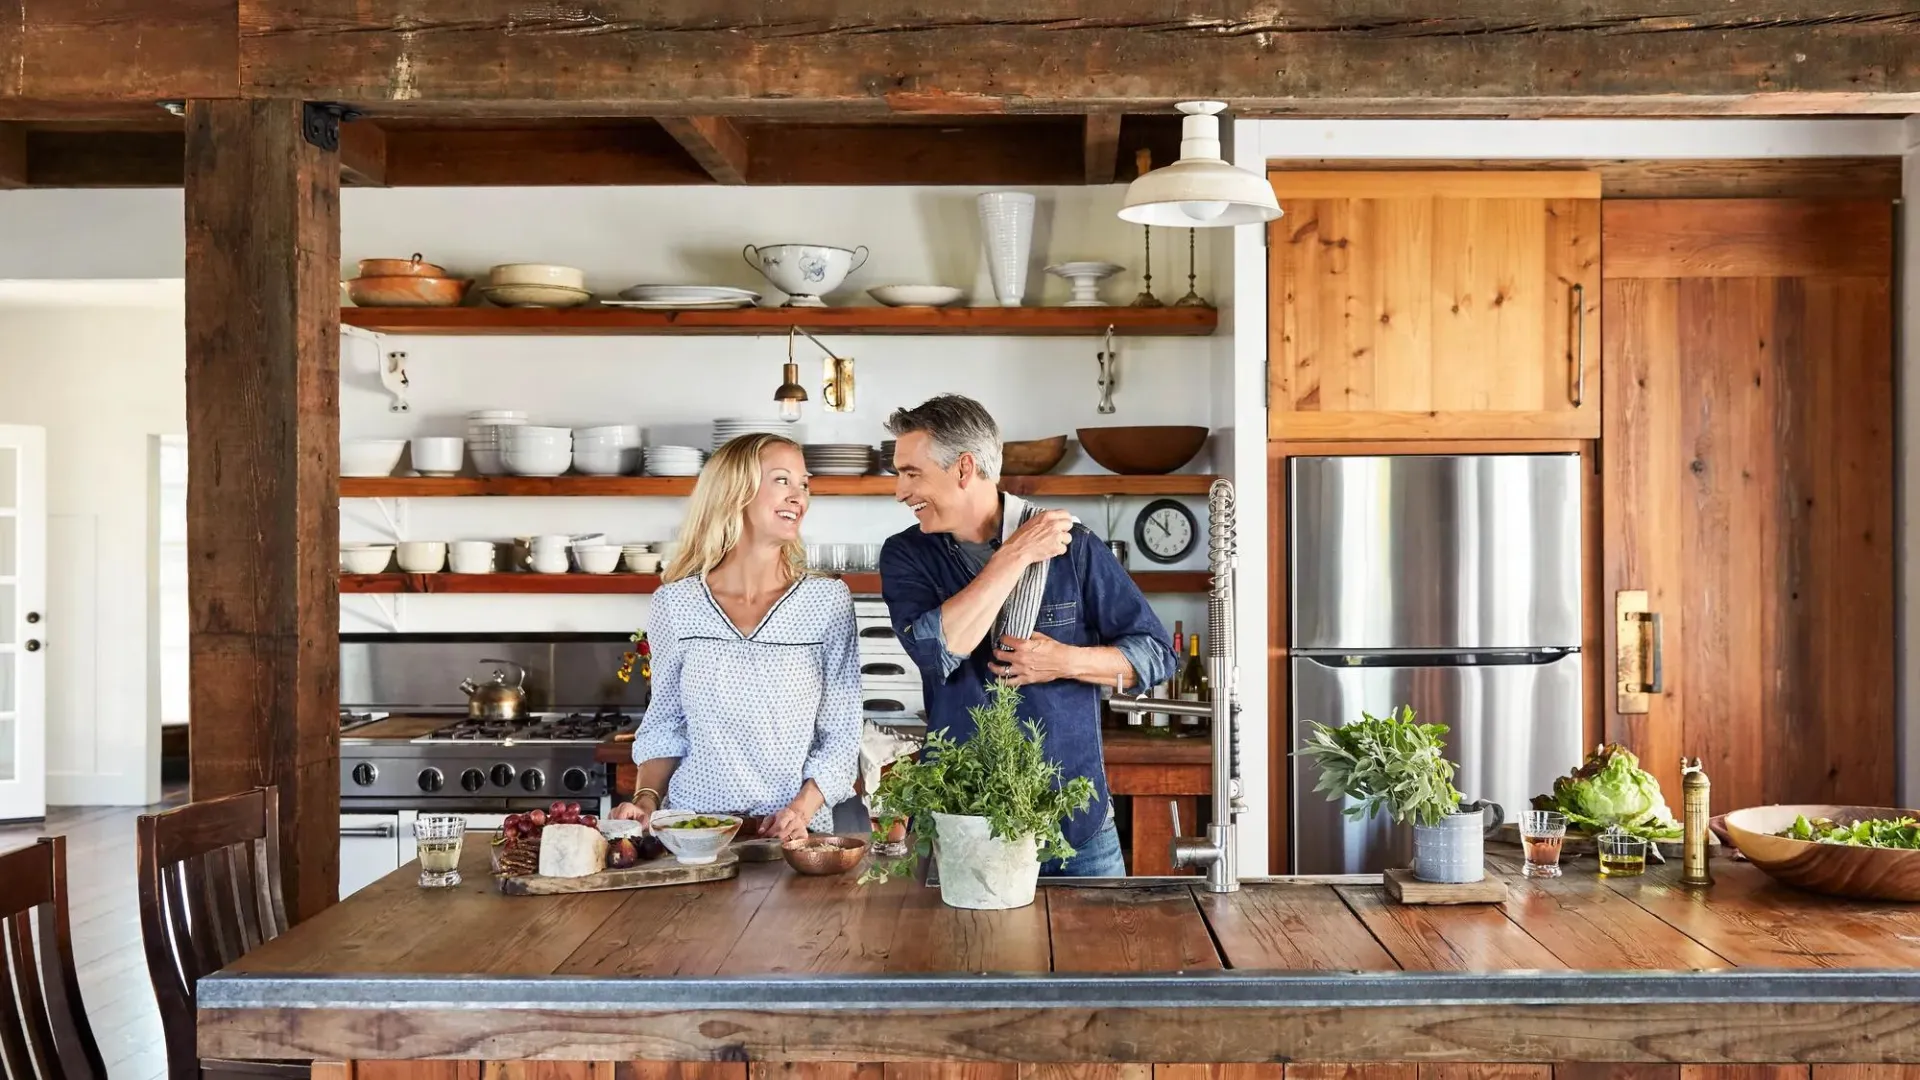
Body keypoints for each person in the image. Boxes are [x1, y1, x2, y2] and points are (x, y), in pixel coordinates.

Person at [878, 395, 1176, 876]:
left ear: (964, 469)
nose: (899, 491)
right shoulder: (907, 556)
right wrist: (1013, 556)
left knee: (1101, 952)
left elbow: (1155, 655)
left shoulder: (1071, 547)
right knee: (967, 955)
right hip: (963, 822)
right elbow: (936, 652)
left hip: (1074, 826)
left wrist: (1065, 661)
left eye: (911, 473)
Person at [610, 433, 864, 842]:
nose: (799, 496)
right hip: (693, 833)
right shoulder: (675, 603)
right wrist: (645, 800)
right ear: (735, 491)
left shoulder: (827, 601)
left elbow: (841, 735)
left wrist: (801, 810)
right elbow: (665, 723)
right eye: (782, 480)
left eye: (805, 483)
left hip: (791, 838)